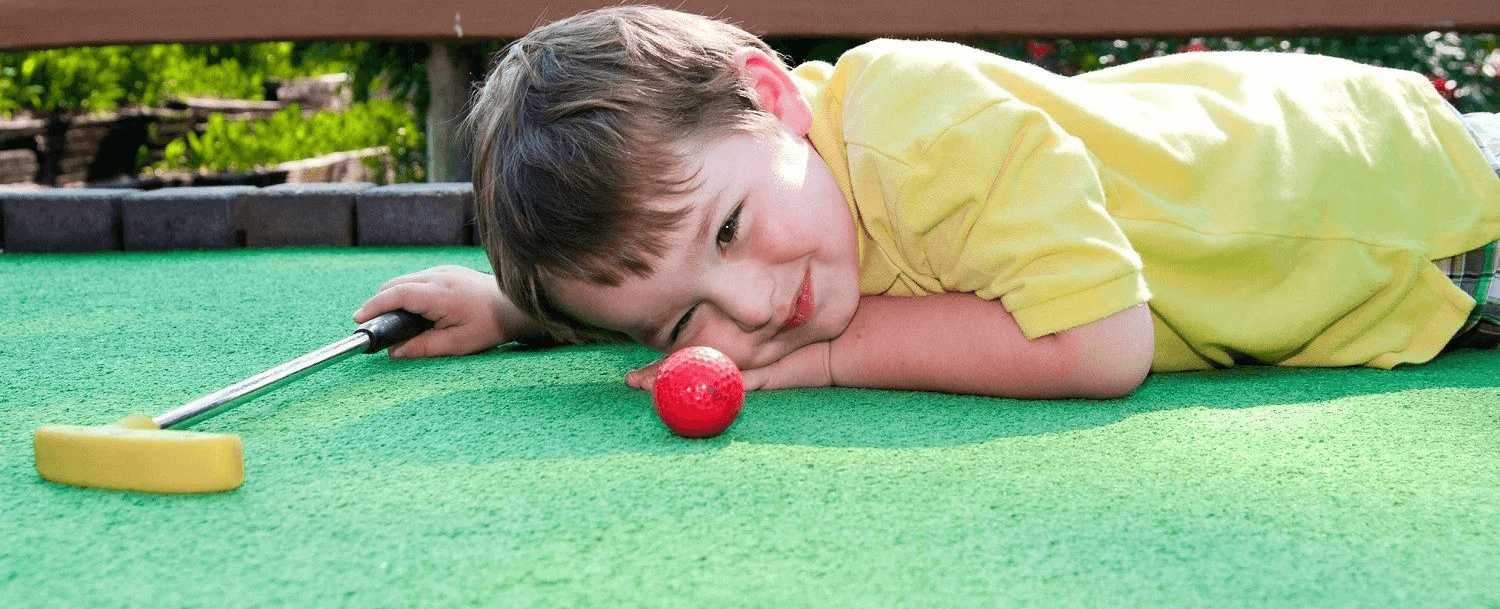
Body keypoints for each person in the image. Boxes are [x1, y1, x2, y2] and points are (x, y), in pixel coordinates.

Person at [355, 5, 1500, 399]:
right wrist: (520, 312)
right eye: (675, 324)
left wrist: (835, 363)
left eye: (732, 232)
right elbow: (675, 268)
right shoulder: (764, 186)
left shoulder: (921, 119)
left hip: (1424, 210)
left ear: (771, 95)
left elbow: (1102, 346)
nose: (751, 309)